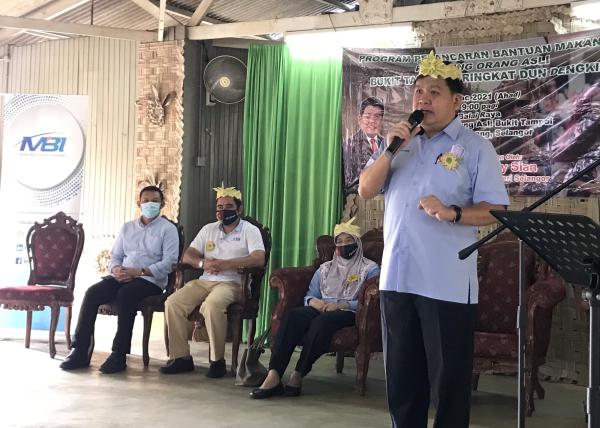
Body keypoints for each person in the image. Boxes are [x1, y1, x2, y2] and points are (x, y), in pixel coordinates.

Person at [359, 51, 510, 428]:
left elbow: (497, 210)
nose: (423, 99)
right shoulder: (400, 143)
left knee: (449, 385)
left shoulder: (476, 147)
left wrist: (452, 212)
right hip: (397, 279)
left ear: (456, 101)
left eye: (434, 92)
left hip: (446, 284)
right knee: (402, 381)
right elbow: (365, 189)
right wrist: (389, 149)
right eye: (418, 92)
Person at [249, 218, 380, 399]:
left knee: (322, 323)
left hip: (349, 311)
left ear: (357, 243)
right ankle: (274, 375)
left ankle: (298, 374)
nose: (344, 245)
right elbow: (310, 295)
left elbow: (371, 302)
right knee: (293, 316)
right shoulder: (325, 268)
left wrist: (342, 305)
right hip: (321, 306)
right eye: (339, 242)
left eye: (349, 241)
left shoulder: (370, 269)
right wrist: (315, 303)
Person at [60, 185, 179, 374]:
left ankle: (119, 355)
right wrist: (116, 269)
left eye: (155, 201)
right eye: (146, 200)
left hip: (150, 280)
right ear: (139, 203)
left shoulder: (168, 229)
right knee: (92, 293)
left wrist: (139, 272)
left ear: (162, 204)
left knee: (126, 294)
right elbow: (116, 256)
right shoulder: (128, 227)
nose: (150, 204)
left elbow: (170, 263)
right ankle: (80, 351)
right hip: (122, 276)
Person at [159, 185, 265, 378]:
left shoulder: (250, 230)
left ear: (239, 209)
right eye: (220, 207)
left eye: (229, 206)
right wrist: (202, 263)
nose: (223, 211)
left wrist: (226, 264)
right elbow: (188, 255)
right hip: (205, 281)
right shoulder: (208, 229)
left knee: (212, 305)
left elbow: (258, 259)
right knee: (172, 302)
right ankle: (181, 357)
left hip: (233, 283)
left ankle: (217, 361)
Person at [343, 96, 385, 192]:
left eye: (377, 116)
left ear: (382, 120)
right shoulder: (348, 145)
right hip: (358, 198)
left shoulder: (386, 143)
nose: (372, 121)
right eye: (367, 116)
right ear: (359, 119)